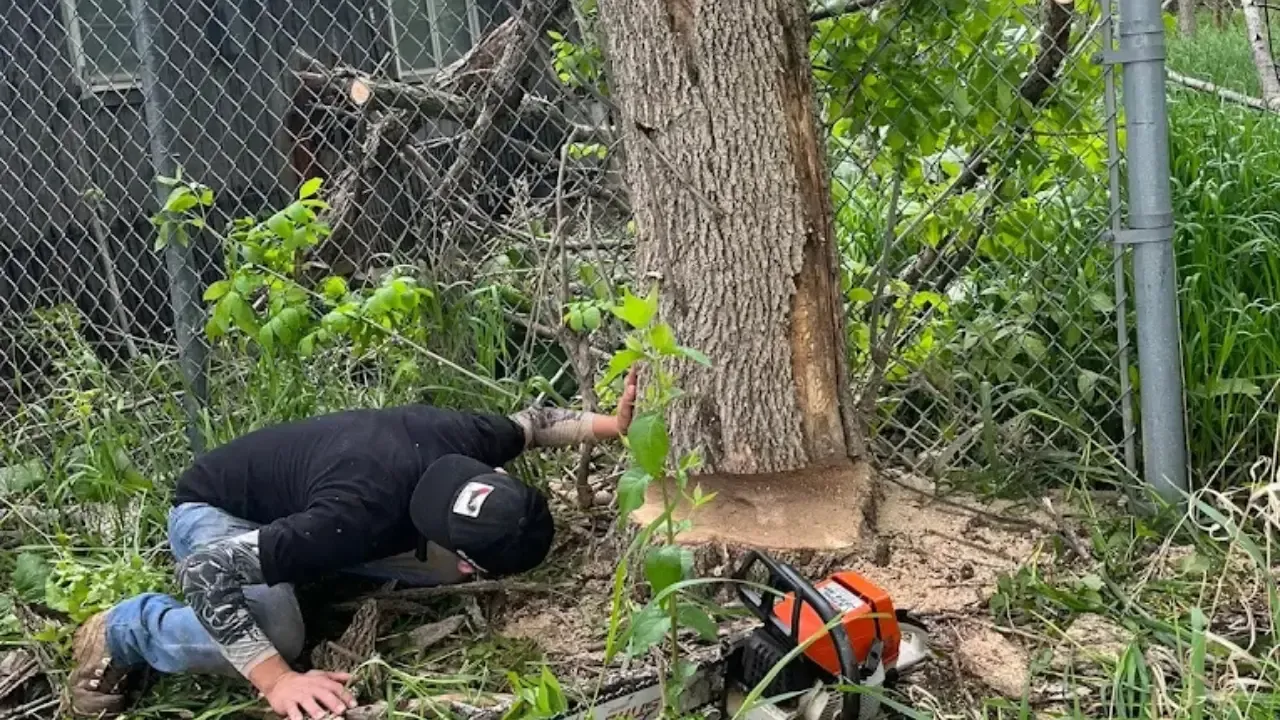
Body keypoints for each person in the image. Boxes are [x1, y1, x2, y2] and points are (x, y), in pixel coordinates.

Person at [68, 369, 637, 720]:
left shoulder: (465, 440)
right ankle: (127, 626)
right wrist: (277, 680)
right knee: (280, 635)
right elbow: (205, 574)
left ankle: (304, 570)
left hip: (318, 510)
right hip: (217, 510)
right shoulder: (356, 516)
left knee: (435, 572)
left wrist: (613, 425)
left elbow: (536, 422)